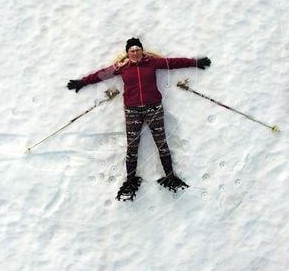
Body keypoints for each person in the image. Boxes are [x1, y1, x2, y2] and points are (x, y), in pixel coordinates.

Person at [67, 38, 211, 201]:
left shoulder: (152, 63)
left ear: (141, 50)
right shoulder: (122, 67)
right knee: (132, 146)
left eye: (137, 49)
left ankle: (170, 177)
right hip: (132, 111)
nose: (135, 52)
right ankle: (130, 181)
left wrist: (195, 63)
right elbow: (102, 75)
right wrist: (82, 82)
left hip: (154, 109)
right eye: (132, 50)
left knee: (162, 143)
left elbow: (173, 62)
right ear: (128, 53)